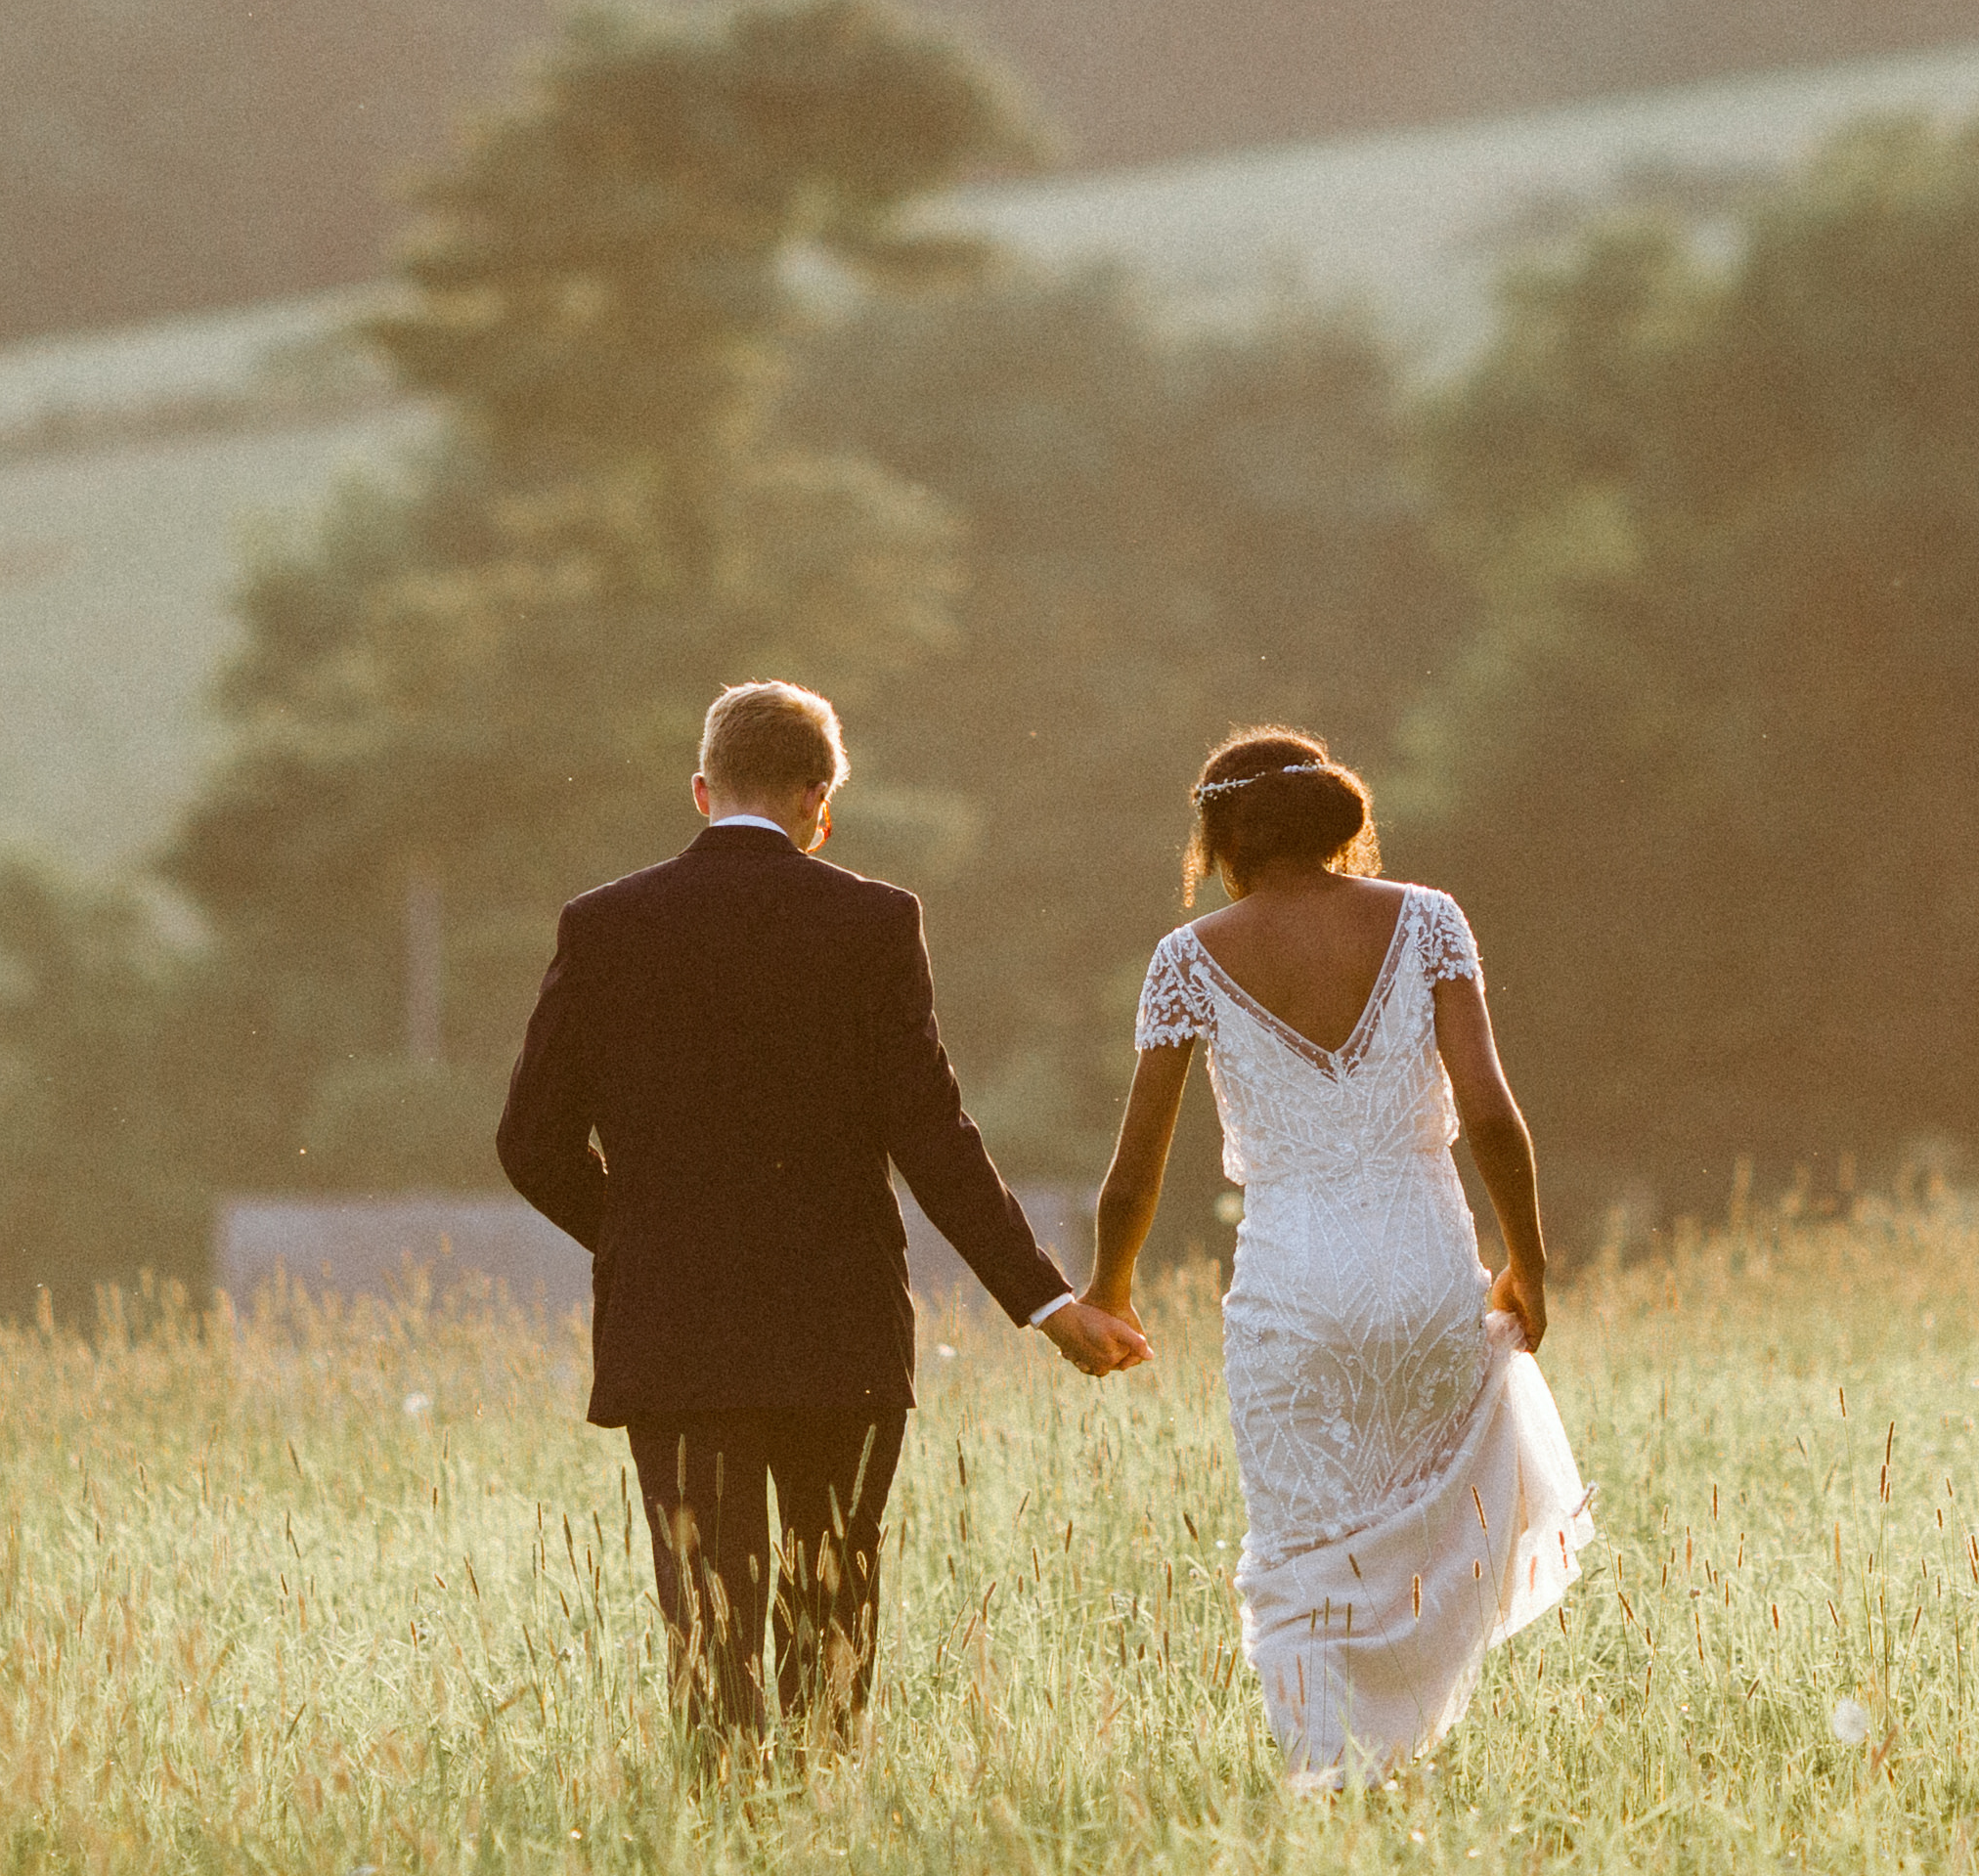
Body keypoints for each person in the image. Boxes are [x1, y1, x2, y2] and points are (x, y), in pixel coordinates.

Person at [497, 680, 1154, 1763]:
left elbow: (530, 1142)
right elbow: (932, 1135)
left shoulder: (603, 925)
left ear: (702, 791)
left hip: (677, 1327)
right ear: (821, 801)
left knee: (711, 1628)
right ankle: (821, 1828)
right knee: (830, 1612)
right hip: (839, 1328)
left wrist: (639, 1238)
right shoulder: (873, 922)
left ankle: (725, 1838)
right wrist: (1046, 1302)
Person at [1077, 725, 1594, 1782]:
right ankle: (1402, 1768)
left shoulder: (1188, 960)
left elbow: (1134, 1174)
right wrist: (1527, 1262)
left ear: (1221, 833)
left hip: (1294, 1285)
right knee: (1423, 1531)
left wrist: (1109, 1289)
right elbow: (1492, 1115)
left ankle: (1329, 1782)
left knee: (1307, 1547)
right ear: (1336, 819)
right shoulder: (1430, 921)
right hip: (1427, 1267)